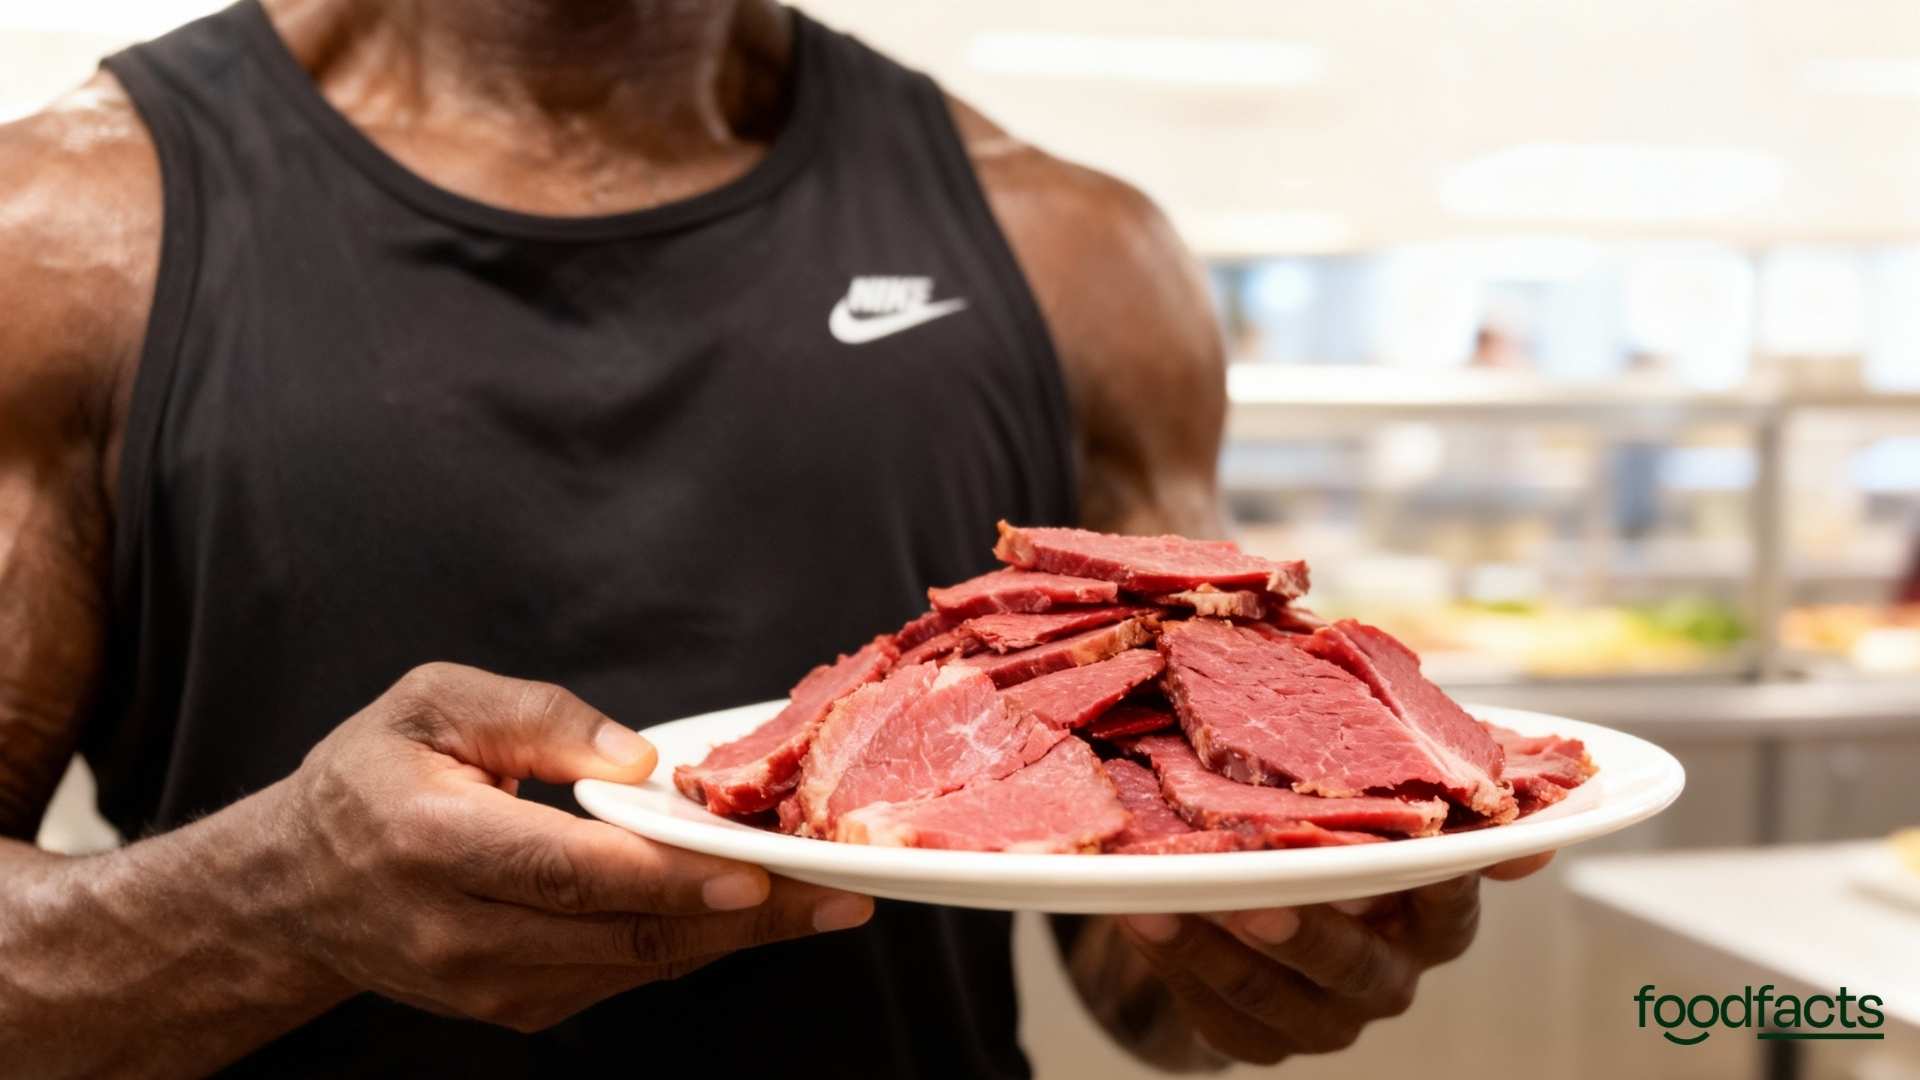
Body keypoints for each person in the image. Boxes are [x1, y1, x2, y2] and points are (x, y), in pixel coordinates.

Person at [0, 1, 1550, 1075]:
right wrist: (261, 907)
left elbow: (1137, 984)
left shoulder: (1076, 253)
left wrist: (1264, 959)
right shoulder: (61, 240)